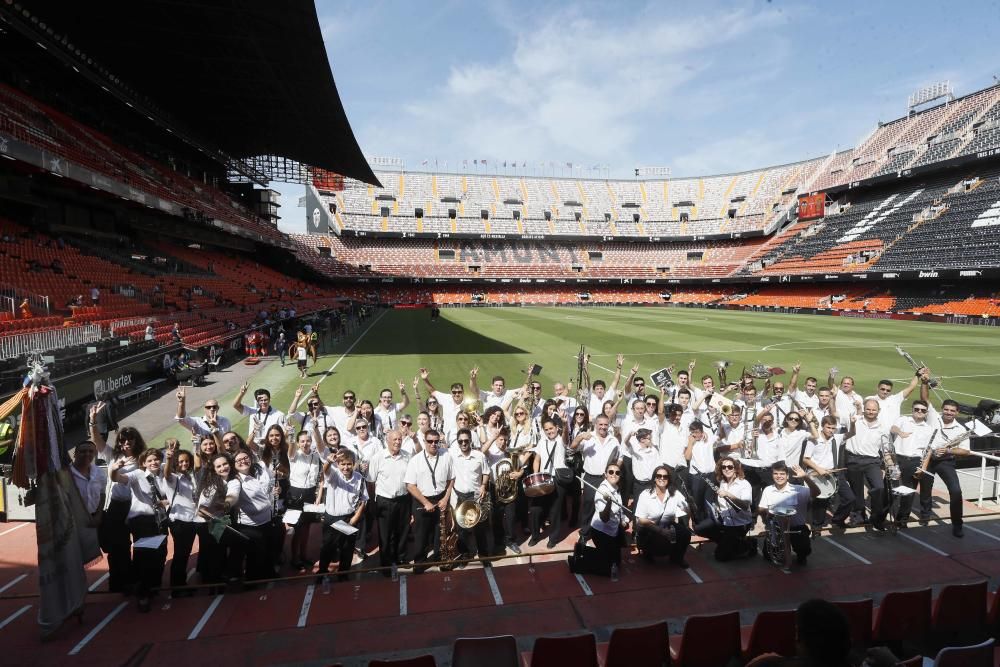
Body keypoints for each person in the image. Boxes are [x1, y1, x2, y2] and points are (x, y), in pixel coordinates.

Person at [91, 416, 146, 595]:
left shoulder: (143, 458)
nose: (126, 442)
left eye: (130, 439)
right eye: (122, 440)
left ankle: (138, 579)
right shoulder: (113, 456)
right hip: (116, 506)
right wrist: (93, 422)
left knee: (141, 544)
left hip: (137, 505)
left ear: (136, 440)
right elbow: (97, 442)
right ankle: (118, 581)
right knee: (117, 547)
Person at [111, 449, 169, 612]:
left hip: (160, 520)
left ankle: (153, 586)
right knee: (145, 556)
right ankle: (143, 594)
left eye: (156, 459)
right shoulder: (137, 474)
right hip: (142, 520)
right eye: (150, 460)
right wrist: (114, 469)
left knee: (161, 553)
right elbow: (118, 478)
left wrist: (165, 503)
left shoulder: (163, 475)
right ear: (143, 463)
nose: (154, 463)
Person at [917, 394, 973, 537]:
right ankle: (925, 515)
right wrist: (924, 381)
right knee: (925, 489)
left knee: (956, 491)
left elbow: (965, 451)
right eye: (946, 409)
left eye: (952, 411)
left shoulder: (961, 429)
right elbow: (924, 397)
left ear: (957, 412)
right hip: (928, 459)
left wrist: (948, 450)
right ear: (942, 409)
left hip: (945, 461)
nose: (948, 412)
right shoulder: (933, 417)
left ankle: (957, 524)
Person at [403, 429, 455, 571]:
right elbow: (410, 485)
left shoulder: (447, 456)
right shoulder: (416, 460)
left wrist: (445, 498)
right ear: (424, 442)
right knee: (421, 534)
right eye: (430, 441)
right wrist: (426, 502)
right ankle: (419, 562)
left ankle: (440, 558)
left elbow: (451, 479)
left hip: (441, 498)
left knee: (441, 533)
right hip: (422, 500)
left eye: (436, 441)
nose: (433, 444)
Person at [317, 449, 368, 581]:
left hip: (348, 518)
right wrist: (328, 461)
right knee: (328, 547)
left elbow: (363, 501)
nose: (346, 467)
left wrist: (353, 520)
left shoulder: (360, 479)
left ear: (354, 464)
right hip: (332, 519)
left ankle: (343, 574)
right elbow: (325, 470)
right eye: (342, 464)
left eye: (349, 464)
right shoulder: (334, 475)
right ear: (338, 464)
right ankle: (322, 572)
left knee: (347, 549)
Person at [570, 414, 621, 542]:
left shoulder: (613, 440)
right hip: (590, 477)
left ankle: (601, 531)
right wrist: (580, 436)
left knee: (605, 506)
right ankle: (585, 533)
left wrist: (614, 471)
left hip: (607, 479)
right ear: (595, 425)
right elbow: (572, 447)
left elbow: (619, 458)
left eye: (605, 424)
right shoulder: (588, 437)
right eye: (601, 424)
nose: (603, 427)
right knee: (588, 505)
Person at [367, 429, 412, 573]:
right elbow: (370, 482)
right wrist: (373, 503)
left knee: (403, 531)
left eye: (400, 439)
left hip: (404, 500)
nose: (398, 442)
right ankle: (386, 563)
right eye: (395, 440)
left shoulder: (407, 457)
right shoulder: (377, 458)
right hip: (384, 501)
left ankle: (401, 558)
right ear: (387, 441)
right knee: (385, 534)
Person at [759, 462, 820, 566]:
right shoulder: (768, 490)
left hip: (796, 528)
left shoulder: (798, 489)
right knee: (768, 555)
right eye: (776, 473)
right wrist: (767, 512)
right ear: (772, 475)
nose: (779, 476)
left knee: (803, 549)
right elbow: (761, 508)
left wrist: (805, 477)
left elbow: (816, 492)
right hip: (777, 528)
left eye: (782, 474)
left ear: (787, 476)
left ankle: (801, 555)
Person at [888, 397, 936, 528]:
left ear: (926, 413)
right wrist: (900, 432)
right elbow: (893, 428)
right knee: (890, 489)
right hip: (897, 459)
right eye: (917, 409)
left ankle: (901, 519)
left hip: (914, 461)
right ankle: (880, 516)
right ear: (912, 410)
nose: (919, 412)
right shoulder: (903, 419)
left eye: (923, 410)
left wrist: (923, 467)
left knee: (908, 492)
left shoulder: (928, 428)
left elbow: (928, 450)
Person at [803, 416, 855, 532]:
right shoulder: (814, 440)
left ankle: (838, 520)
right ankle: (817, 526)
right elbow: (805, 459)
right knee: (821, 503)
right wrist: (819, 469)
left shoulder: (836, 438)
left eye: (833, 428)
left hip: (834, 473)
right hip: (817, 475)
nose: (831, 430)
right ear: (822, 426)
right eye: (828, 427)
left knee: (850, 498)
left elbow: (852, 433)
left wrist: (852, 423)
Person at [230, 450, 275, 583]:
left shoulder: (255, 474)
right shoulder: (236, 481)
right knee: (254, 557)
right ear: (234, 464)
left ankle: (268, 573)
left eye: (245, 458)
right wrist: (228, 502)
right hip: (251, 526)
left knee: (267, 552)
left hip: (267, 520)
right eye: (238, 460)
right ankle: (252, 582)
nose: (243, 461)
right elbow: (232, 495)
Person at [700, 456, 756, 561]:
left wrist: (728, 494)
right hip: (724, 520)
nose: (727, 469)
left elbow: (745, 505)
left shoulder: (744, 484)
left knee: (721, 557)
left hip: (740, 523)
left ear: (735, 469)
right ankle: (730, 543)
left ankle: (747, 544)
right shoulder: (722, 483)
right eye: (724, 467)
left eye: (730, 467)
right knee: (700, 528)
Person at [634, 465, 691, 568]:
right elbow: (641, 520)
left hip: (667, 525)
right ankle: (647, 552)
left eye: (665, 476)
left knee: (685, 533)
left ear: (669, 479)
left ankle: (677, 558)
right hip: (649, 528)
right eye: (659, 476)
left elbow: (686, 508)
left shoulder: (675, 493)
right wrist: (661, 531)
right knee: (659, 543)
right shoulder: (645, 494)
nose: (662, 478)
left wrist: (690, 505)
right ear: (654, 478)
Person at [844, 399, 888, 529]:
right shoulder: (854, 420)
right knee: (857, 492)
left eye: (874, 409)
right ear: (864, 409)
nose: (871, 412)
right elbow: (835, 413)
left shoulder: (882, 427)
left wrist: (889, 463)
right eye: (868, 409)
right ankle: (860, 517)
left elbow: (885, 448)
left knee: (879, 488)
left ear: (878, 411)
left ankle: (876, 518)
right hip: (854, 459)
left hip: (872, 461)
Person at [161, 440, 198, 595]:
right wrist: (168, 459)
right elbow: (166, 473)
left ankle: (180, 583)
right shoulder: (172, 478)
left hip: (191, 520)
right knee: (181, 554)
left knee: (184, 552)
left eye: (186, 461)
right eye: (180, 461)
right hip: (179, 521)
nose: (184, 464)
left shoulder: (190, 477)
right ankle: (177, 587)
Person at [450, 427, 490, 560]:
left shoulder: (480, 456)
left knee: (480, 527)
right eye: (460, 441)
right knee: (461, 529)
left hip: (476, 496)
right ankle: (465, 554)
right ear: (457, 442)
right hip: (460, 496)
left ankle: (483, 554)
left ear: (471, 441)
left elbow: (486, 472)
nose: (463, 443)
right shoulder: (452, 455)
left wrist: (483, 485)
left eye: (466, 441)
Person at [530, 418, 569, 548]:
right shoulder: (542, 441)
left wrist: (565, 424)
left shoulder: (561, 440)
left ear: (556, 427)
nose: (549, 431)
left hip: (557, 479)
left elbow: (565, 436)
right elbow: (537, 460)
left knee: (555, 511)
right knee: (535, 510)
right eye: (546, 429)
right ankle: (535, 536)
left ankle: (553, 538)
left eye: (551, 428)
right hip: (543, 479)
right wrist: (536, 475)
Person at [286, 430, 322, 570]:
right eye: (302, 441)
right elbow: (290, 451)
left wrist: (318, 497)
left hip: (310, 494)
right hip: (296, 494)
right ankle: (294, 558)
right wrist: (290, 437)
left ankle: (303, 555)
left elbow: (319, 478)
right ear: (298, 443)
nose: (305, 443)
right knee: (297, 528)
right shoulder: (294, 455)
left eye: (308, 440)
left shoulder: (315, 456)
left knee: (307, 527)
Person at [590, 462, 628, 577]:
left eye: (617, 472)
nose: (614, 475)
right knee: (607, 568)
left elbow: (620, 508)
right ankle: (586, 556)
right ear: (605, 475)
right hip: (601, 532)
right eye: (610, 472)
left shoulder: (616, 488)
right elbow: (604, 518)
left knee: (617, 563)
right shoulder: (602, 491)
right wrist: (609, 503)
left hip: (613, 530)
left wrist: (624, 519)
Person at [70, 440, 105, 531]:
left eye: (91, 451)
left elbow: (102, 494)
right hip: (73, 520)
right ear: (75, 454)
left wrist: (98, 515)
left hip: (94, 518)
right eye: (83, 451)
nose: (87, 454)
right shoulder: (66, 474)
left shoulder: (99, 472)